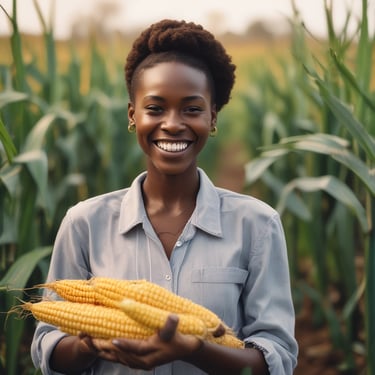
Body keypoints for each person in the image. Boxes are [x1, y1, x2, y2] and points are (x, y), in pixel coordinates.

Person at [31, 19, 298, 375]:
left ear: (213, 118)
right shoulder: (84, 224)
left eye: (192, 109)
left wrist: (196, 350)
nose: (172, 123)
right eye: (155, 108)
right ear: (133, 116)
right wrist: (87, 343)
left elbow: (276, 357)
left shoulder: (258, 225)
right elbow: (48, 346)